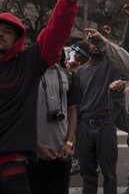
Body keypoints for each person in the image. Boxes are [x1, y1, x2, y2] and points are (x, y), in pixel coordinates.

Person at [0, 0, 81, 194]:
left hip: (11, 172)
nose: (0, 34)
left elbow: (56, 34)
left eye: (7, 31)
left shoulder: (27, 65)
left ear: (18, 38)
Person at [74, 5, 129, 194]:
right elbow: (76, 104)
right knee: (88, 174)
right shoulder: (79, 73)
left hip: (105, 125)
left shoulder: (111, 64)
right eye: (91, 42)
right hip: (85, 127)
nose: (94, 44)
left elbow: (124, 48)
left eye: (98, 41)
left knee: (109, 174)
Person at [27, 63, 79, 194]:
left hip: (62, 155)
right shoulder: (28, 74)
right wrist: (37, 146)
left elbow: (72, 112)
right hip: (34, 156)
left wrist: (69, 144)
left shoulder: (68, 75)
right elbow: (21, 116)